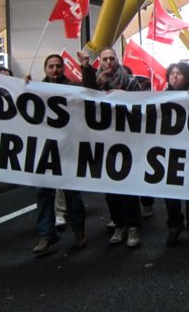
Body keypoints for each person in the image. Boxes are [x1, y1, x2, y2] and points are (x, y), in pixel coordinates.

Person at [79, 48, 143, 248]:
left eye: (112, 59)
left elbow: (142, 105)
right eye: (105, 59)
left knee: (128, 186)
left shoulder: (130, 82)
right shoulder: (96, 81)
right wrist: (87, 69)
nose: (108, 62)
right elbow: (86, 97)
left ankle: (133, 226)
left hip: (127, 141)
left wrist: (125, 96)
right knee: (110, 189)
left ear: (118, 60)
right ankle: (119, 223)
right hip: (104, 141)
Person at [27, 54, 87, 254]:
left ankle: (79, 231)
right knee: (43, 194)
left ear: (63, 69)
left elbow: (89, 91)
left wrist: (86, 68)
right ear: (45, 69)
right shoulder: (35, 89)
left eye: (58, 66)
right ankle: (46, 235)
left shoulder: (72, 89)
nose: (54, 70)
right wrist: (22, 87)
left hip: (67, 150)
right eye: (51, 66)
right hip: (44, 151)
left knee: (72, 194)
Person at [162, 62, 189, 246]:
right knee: (170, 191)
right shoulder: (160, 98)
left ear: (186, 77)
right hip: (169, 151)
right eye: (172, 73)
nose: (175, 77)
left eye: (179, 74)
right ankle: (175, 224)